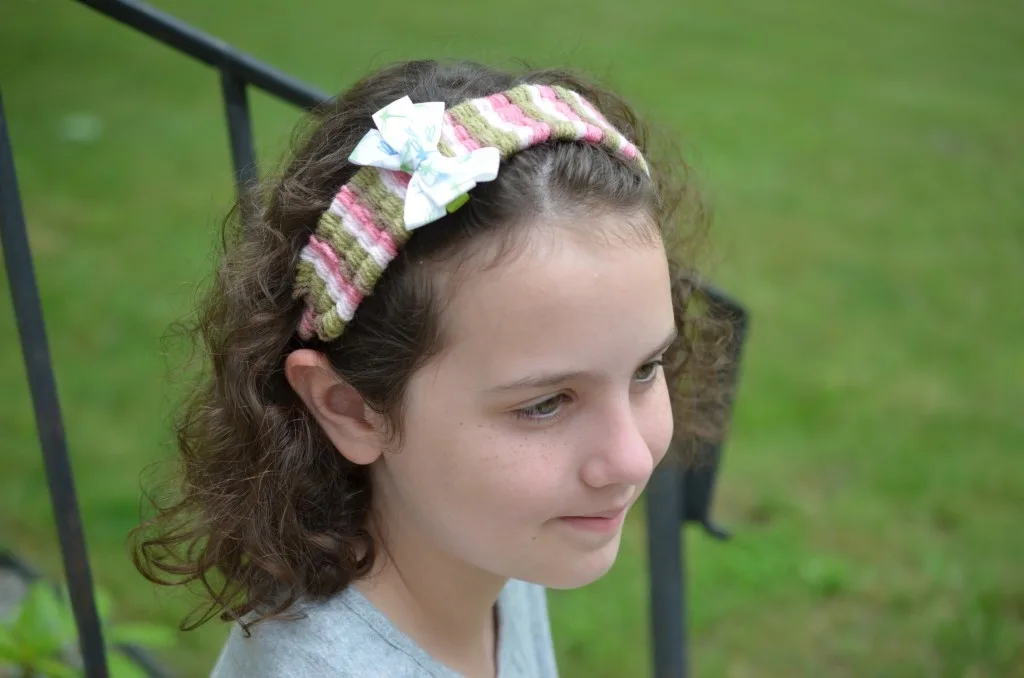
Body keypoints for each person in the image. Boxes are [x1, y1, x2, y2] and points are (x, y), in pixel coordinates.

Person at [130, 58, 729, 678]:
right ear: (352, 408)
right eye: (545, 404)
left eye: (645, 369)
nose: (631, 459)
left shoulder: (480, 538)